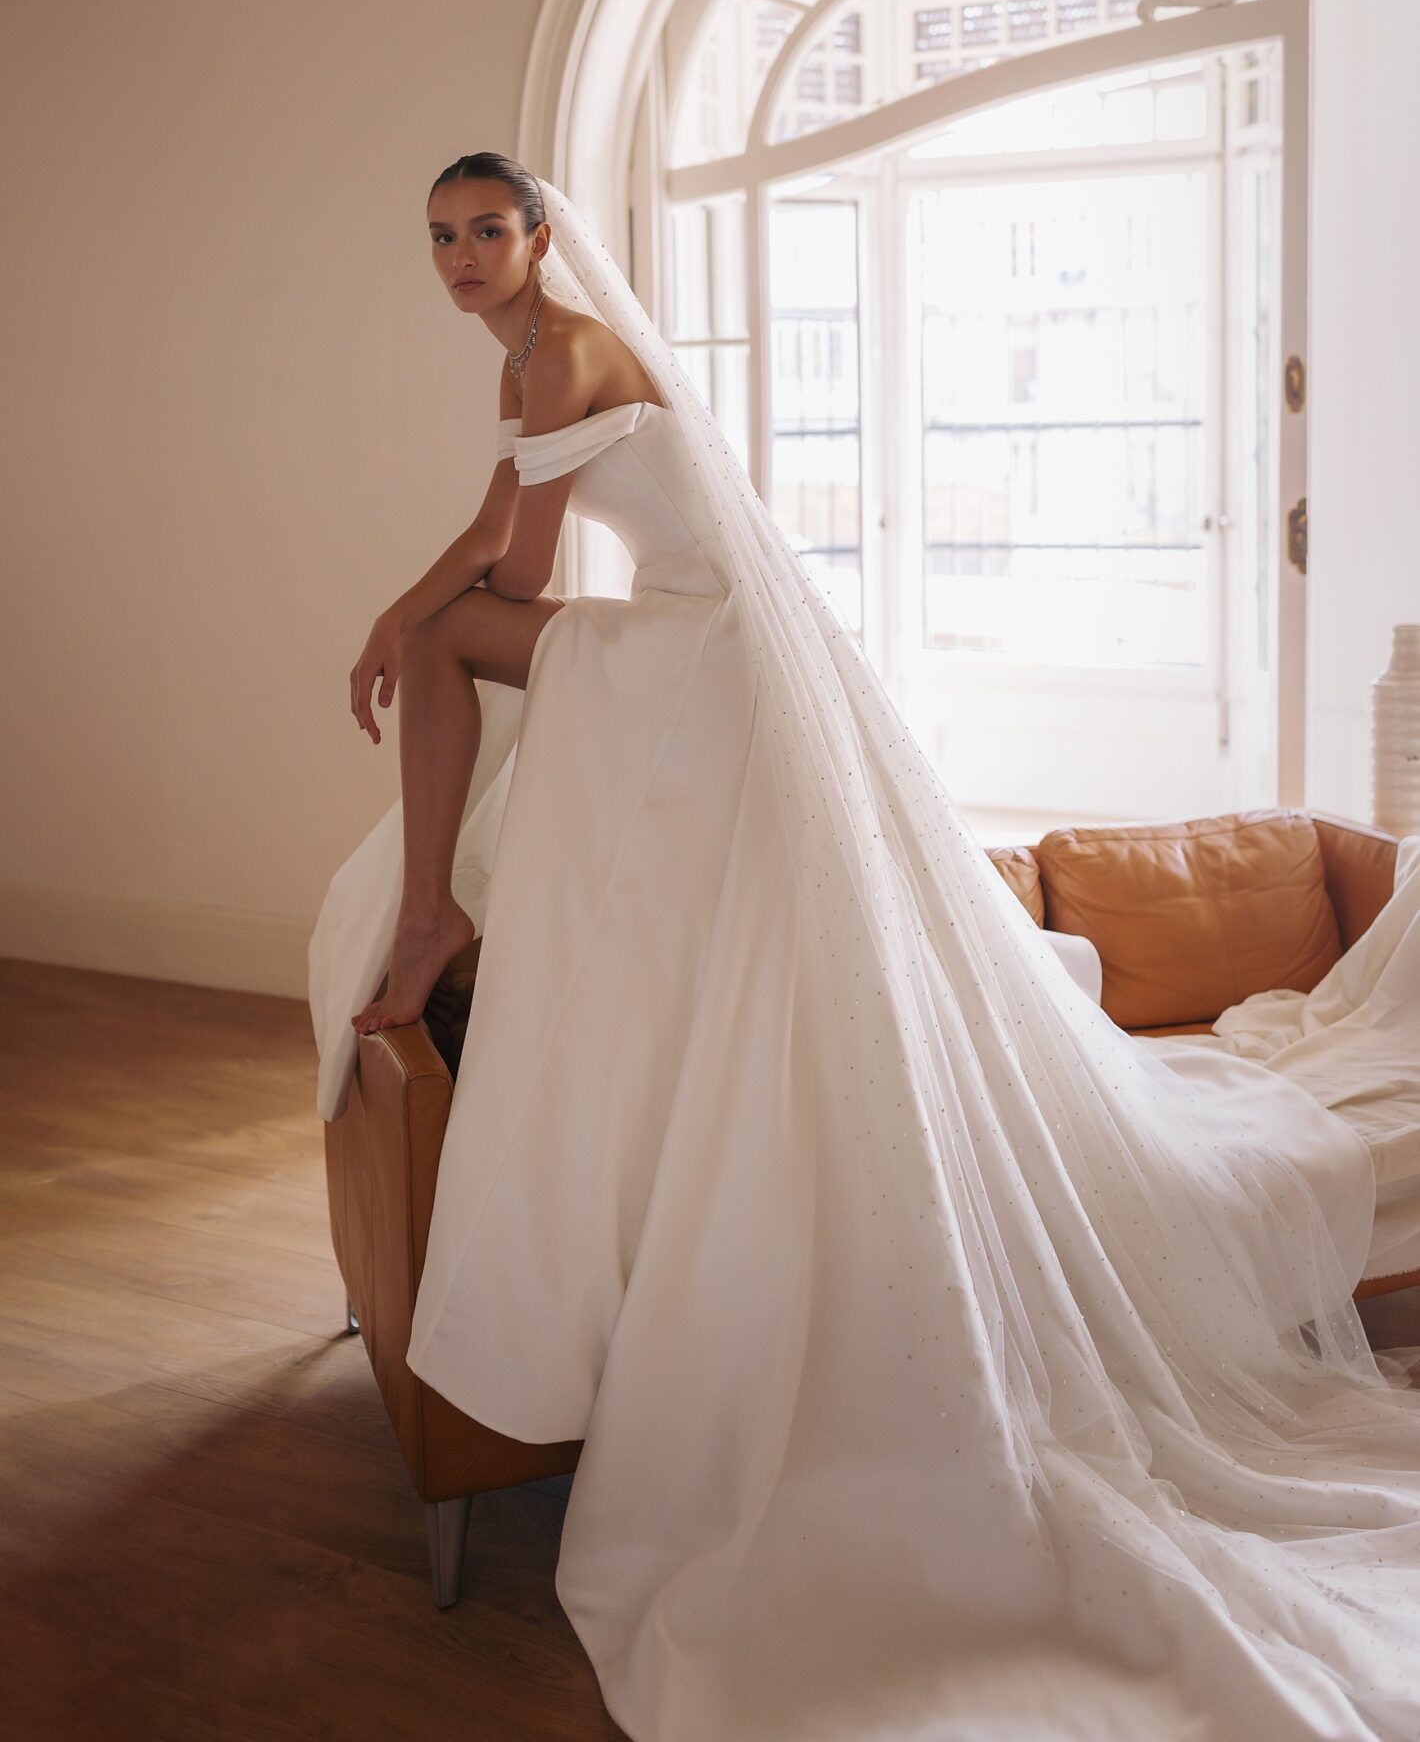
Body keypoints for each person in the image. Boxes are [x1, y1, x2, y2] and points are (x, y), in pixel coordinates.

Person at [310, 152, 1420, 1742]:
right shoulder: (529, 356)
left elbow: (526, 572)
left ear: (543, 238)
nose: (463, 257)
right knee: (428, 635)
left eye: (488, 230)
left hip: (705, 653)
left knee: (436, 639)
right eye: (440, 238)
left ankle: (433, 914)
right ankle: (432, 905)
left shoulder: (562, 348)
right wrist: (398, 608)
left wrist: (395, 617)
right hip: (706, 648)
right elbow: (498, 523)